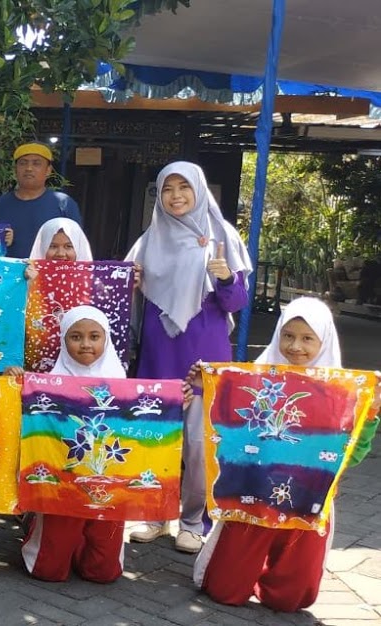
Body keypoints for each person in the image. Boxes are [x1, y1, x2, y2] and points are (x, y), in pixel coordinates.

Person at [193, 297, 378, 612]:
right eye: (288, 335)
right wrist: (209, 386)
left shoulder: (343, 395)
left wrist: (370, 414)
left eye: (307, 338)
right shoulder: (253, 381)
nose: (295, 347)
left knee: (289, 599)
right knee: (225, 590)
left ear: (324, 341)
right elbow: (226, 431)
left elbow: (353, 455)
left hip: (307, 499)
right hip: (252, 494)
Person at [125, 161, 252, 554]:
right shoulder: (149, 240)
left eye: (184, 187)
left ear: (199, 190)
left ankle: (194, 521)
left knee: (198, 446)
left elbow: (237, 302)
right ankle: (154, 515)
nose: (176, 195)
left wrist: (226, 277)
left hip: (203, 357)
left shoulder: (222, 236)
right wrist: (130, 283)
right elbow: (127, 298)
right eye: (168, 188)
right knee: (157, 437)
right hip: (159, 354)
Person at [19, 306, 128, 584]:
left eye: (94, 336)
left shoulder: (122, 383)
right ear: (64, 340)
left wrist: (178, 401)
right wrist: (16, 385)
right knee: (48, 570)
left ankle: (80, 543)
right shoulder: (50, 384)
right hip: (63, 482)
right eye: (76, 337)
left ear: (106, 339)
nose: (86, 344)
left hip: (107, 485)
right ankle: (36, 522)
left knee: (103, 572)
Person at [0, 143, 82, 259]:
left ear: (48, 170)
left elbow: (76, 245)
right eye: (23, 163)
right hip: (7, 269)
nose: (29, 168)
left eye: (36, 163)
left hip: (49, 269)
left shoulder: (64, 204)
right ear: (15, 169)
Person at [24, 217, 94, 281]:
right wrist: (32, 283)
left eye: (68, 246)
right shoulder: (26, 275)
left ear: (79, 248)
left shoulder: (93, 284)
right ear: (42, 248)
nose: (60, 254)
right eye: (53, 246)